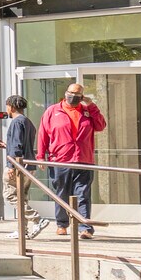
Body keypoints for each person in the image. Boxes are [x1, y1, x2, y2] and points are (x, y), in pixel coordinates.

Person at [39, 82, 106, 239]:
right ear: (66, 92)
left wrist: (91, 106)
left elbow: (101, 126)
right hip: (60, 160)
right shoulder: (53, 111)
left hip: (83, 159)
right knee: (61, 193)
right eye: (71, 93)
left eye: (78, 95)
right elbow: (43, 135)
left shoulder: (87, 111)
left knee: (82, 194)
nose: (73, 97)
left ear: (82, 97)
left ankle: (84, 227)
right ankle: (62, 224)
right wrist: (41, 156)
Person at [1, 94, 40, 237]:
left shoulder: (16, 122)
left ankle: (36, 219)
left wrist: (11, 166)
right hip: (28, 165)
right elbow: (22, 145)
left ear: (11, 107)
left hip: (17, 165)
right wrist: (6, 146)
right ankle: (22, 229)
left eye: (7, 106)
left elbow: (17, 145)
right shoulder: (28, 122)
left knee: (10, 195)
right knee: (21, 198)